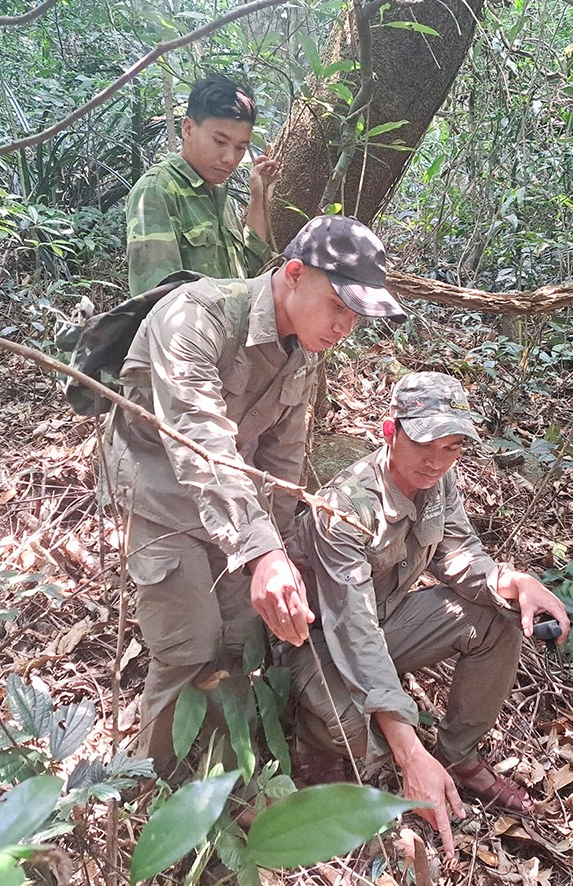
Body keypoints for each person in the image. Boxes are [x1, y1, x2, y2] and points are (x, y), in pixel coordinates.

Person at [106, 215, 407, 777]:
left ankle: (221, 775)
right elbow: (198, 442)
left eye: (356, 315)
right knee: (188, 645)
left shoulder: (304, 350)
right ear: (294, 274)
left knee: (241, 640)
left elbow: (280, 460)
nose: (346, 326)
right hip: (157, 493)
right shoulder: (196, 316)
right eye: (339, 306)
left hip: (233, 503)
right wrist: (261, 552)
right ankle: (151, 786)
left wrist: (282, 549)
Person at [284, 372, 571, 857]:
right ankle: (317, 754)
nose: (437, 461)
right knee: (355, 735)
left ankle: (458, 757)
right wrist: (408, 749)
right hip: (315, 643)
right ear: (389, 431)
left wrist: (511, 581)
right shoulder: (346, 507)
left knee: (497, 616)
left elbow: (459, 553)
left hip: (384, 620)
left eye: (453, 447)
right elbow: (350, 629)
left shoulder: (438, 480)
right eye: (425, 444)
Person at [126, 72, 280, 296]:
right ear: (188, 129)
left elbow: (250, 273)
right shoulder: (157, 190)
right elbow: (157, 301)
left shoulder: (217, 193)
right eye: (220, 141)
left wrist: (259, 197)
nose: (230, 158)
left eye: (239, 148)